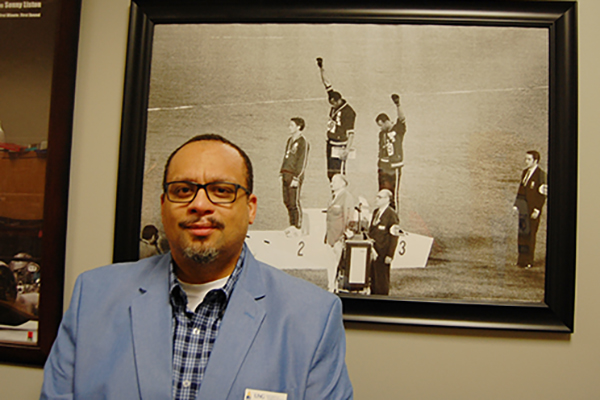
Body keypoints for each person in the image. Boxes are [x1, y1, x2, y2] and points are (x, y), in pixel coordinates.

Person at [41, 134, 353, 400]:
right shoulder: (93, 298)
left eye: (221, 190)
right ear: (164, 207)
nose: (200, 204)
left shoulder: (313, 319)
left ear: (251, 209)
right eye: (182, 190)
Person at [316, 57, 357, 181]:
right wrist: (321, 68)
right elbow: (326, 83)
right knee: (330, 174)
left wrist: (347, 150)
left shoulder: (349, 112)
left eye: (333, 104)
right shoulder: (334, 98)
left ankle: (340, 197)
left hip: (340, 146)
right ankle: (334, 196)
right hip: (330, 143)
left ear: (338, 101)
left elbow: (351, 134)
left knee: (338, 175)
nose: (332, 106)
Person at [513, 150, 547, 269]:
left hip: (532, 211)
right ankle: (521, 260)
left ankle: (529, 261)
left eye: (528, 159)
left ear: (535, 161)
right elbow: (521, 189)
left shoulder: (541, 175)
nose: (526, 161)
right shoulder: (525, 173)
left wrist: (537, 209)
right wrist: (516, 204)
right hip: (523, 210)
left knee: (530, 235)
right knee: (522, 234)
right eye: (526, 159)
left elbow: (543, 194)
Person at [375, 93, 407, 213]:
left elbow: (402, 119)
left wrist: (397, 104)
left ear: (386, 121)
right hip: (383, 168)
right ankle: (383, 215)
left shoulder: (398, 130)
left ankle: (393, 218)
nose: (380, 128)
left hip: (394, 168)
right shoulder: (381, 134)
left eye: (381, 125)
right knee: (382, 192)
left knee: (392, 195)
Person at [325, 174, 356, 292]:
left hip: (339, 238)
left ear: (342, 183)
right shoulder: (333, 197)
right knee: (331, 264)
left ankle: (334, 287)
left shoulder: (346, 197)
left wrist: (344, 235)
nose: (331, 184)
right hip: (330, 237)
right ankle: (331, 287)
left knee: (337, 265)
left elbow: (349, 217)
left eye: (334, 181)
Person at [280, 117, 309, 235]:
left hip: (294, 176)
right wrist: (281, 172)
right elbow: (286, 156)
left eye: (291, 125)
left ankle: (297, 226)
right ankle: (291, 224)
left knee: (294, 202)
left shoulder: (303, 142)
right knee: (286, 201)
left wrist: (297, 177)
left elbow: (302, 161)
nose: (289, 128)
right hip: (286, 173)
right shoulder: (290, 140)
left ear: (298, 127)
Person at [368, 189, 400, 296]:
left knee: (382, 279)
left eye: (380, 197)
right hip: (373, 252)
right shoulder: (376, 212)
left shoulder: (391, 215)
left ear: (387, 199)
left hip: (383, 252)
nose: (376, 199)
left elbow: (394, 236)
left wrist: (390, 254)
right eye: (377, 196)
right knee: (373, 278)